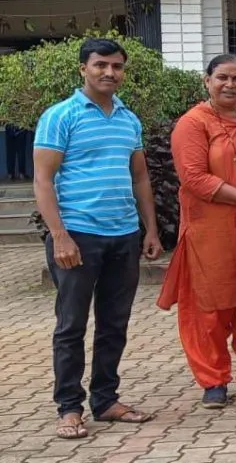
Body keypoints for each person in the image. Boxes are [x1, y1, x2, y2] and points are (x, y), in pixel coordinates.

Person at [33, 38, 162, 440]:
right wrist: (60, 236)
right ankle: (69, 408)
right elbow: (42, 179)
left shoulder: (128, 119)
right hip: (77, 236)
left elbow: (140, 176)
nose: (109, 73)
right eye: (101, 65)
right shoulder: (60, 116)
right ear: (83, 69)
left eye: (116, 66)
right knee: (71, 325)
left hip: (123, 235)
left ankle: (105, 400)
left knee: (114, 324)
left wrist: (150, 230)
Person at [157, 54, 236, 409]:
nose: (230, 85)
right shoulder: (193, 123)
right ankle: (213, 380)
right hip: (211, 230)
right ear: (207, 81)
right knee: (210, 306)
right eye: (222, 78)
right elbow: (194, 178)